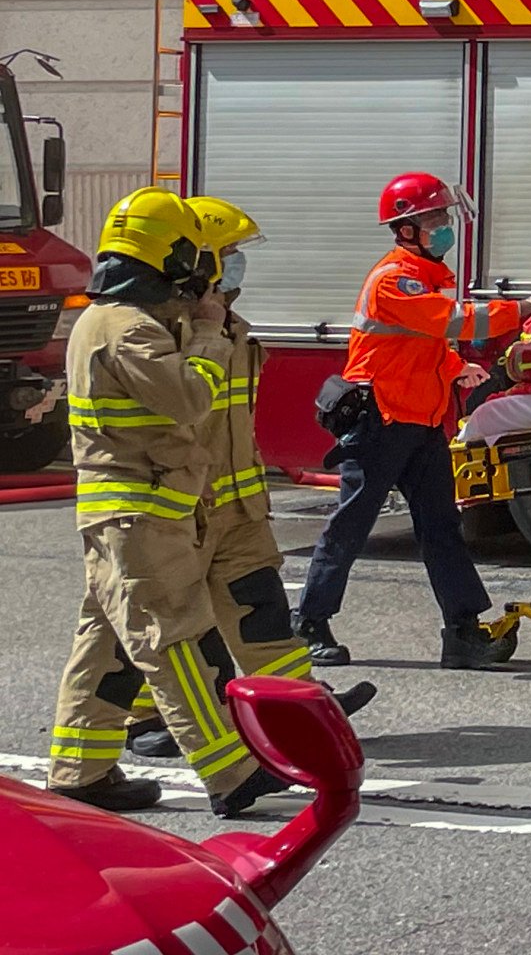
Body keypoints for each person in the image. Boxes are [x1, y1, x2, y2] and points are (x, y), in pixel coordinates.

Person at [46, 188, 288, 817]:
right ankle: (230, 772)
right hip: (141, 513)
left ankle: (80, 770)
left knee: (105, 642)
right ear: (170, 256)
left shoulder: (114, 321)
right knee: (172, 637)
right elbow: (187, 399)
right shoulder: (126, 328)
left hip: (130, 514)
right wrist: (208, 334)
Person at [123, 196, 377, 758]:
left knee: (261, 611)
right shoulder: (175, 332)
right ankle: (147, 719)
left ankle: (301, 703)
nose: (238, 264)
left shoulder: (230, 327)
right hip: (189, 507)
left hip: (239, 508)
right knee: (170, 624)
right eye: (229, 254)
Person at [293, 172, 531, 670]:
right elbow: (451, 323)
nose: (444, 227)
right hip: (380, 420)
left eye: (444, 217)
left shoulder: (425, 277)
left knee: (443, 527)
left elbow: (421, 343)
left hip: (420, 422)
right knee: (351, 527)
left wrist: (454, 367)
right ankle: (309, 624)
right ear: (406, 229)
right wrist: (527, 308)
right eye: (433, 219)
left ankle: (463, 633)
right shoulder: (394, 279)